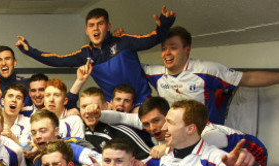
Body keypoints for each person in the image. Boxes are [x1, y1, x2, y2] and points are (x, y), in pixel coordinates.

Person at [16, 6, 176, 105]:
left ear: (108, 26)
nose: (96, 29)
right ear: (86, 30)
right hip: (113, 106)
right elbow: (56, 60)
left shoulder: (124, 41)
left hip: (141, 102)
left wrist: (164, 26)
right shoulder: (86, 53)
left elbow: (153, 39)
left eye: (100, 24)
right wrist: (30, 50)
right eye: (91, 26)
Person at [143, 26, 279, 125]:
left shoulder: (206, 69)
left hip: (207, 136)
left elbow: (248, 78)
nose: (167, 53)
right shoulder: (155, 73)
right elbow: (124, 60)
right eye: (163, 48)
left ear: (187, 49)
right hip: (174, 136)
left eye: (173, 48)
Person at [78, 87, 152, 160]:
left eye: (94, 107)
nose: (89, 111)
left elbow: (149, 158)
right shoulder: (78, 128)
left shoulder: (120, 131)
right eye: (84, 106)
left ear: (105, 106)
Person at [1, 84, 32, 149]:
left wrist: (13, 138)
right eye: (10, 96)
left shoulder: (27, 123)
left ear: (22, 105)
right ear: (3, 101)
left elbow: (27, 150)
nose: (14, 100)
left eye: (18, 98)